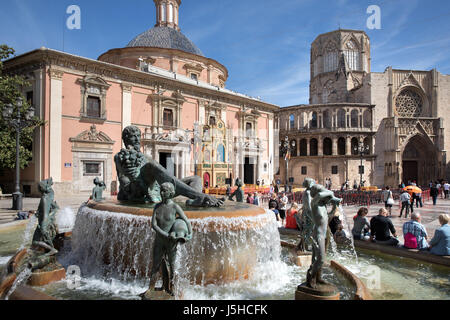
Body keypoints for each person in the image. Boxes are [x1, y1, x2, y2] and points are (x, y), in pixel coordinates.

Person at [140, 182, 192, 298]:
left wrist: (190, 234)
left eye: (164, 191)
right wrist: (164, 234)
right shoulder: (157, 207)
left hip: (171, 243)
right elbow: (154, 224)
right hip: (159, 240)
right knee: (156, 265)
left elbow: (186, 221)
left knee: (173, 266)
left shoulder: (175, 207)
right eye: (161, 190)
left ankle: (172, 289)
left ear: (171, 193)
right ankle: (151, 288)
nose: (162, 193)